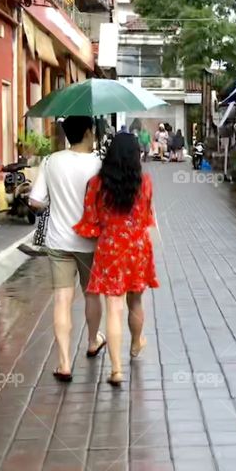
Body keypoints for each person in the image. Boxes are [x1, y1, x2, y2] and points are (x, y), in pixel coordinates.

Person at [74, 133, 158, 387]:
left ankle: (117, 371)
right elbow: (146, 216)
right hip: (137, 248)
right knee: (136, 301)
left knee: (114, 308)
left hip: (110, 249)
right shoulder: (144, 182)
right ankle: (136, 342)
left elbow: (91, 221)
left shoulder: (96, 183)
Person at [28, 115, 105, 382]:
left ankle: (63, 363)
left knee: (62, 299)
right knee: (92, 295)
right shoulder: (98, 164)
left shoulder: (51, 161)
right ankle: (93, 341)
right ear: (87, 132)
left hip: (58, 241)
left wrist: (55, 202)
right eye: (93, 130)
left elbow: (35, 201)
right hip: (89, 241)